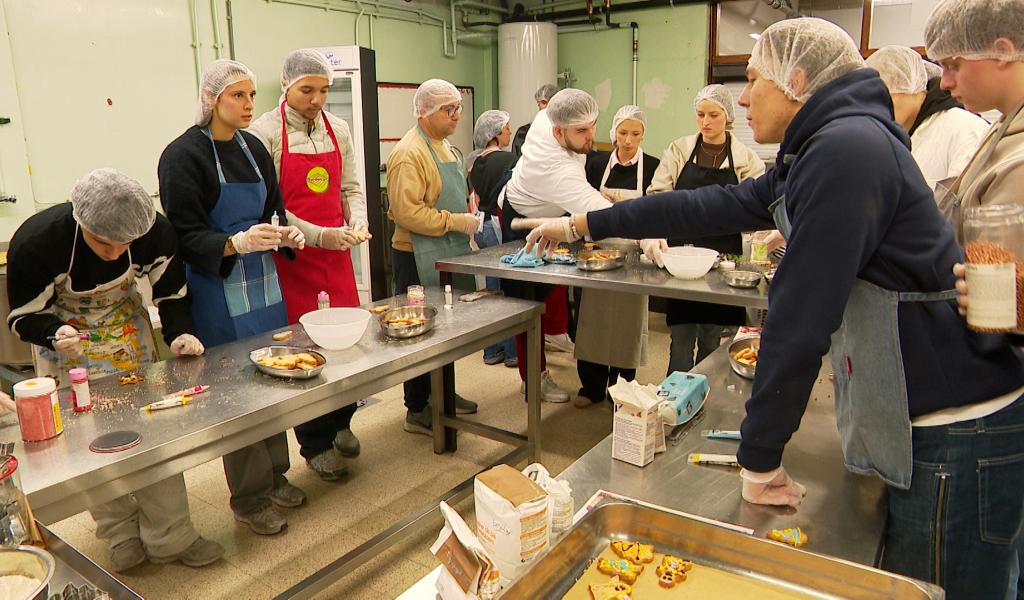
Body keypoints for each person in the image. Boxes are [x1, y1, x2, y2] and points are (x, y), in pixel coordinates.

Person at [518, 18, 1024, 599]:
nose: (740, 97)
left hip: (955, 432)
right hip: (926, 418)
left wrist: (759, 459)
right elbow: (706, 208)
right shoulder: (822, 145)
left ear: (797, 79)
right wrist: (584, 222)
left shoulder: (847, 150)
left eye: (753, 79)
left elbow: (800, 314)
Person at [7, 168, 223, 571]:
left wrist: (180, 334)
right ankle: (119, 532)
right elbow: (21, 318)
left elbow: (171, 293)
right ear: (80, 221)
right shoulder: (39, 243)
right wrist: (54, 331)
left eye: (124, 244)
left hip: (129, 339)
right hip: (68, 353)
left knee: (154, 435)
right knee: (91, 445)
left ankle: (171, 535)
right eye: (103, 243)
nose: (113, 252)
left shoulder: (155, 232)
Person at [159, 59, 307, 536]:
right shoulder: (183, 156)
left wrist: (284, 234)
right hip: (216, 288)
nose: (248, 105)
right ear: (211, 99)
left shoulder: (255, 148)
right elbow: (183, 234)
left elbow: (272, 205)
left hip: (263, 283)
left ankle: (277, 474)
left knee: (274, 376)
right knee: (237, 393)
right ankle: (249, 496)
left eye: (250, 96)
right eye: (237, 96)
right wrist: (233, 243)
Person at [926, 1, 1024, 595]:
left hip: (999, 377)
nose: (946, 81)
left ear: (1004, 50)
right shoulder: (1000, 131)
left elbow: (1004, 297)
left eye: (955, 64)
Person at [500, 89, 665, 404]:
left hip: (547, 207)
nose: (592, 137)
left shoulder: (546, 116)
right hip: (524, 219)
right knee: (526, 306)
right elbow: (605, 212)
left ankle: (559, 344)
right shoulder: (557, 173)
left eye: (593, 125)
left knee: (552, 298)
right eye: (582, 131)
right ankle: (533, 378)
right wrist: (646, 235)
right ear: (558, 131)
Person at [249, 49, 369, 481]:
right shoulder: (266, 132)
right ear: (285, 85)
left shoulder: (338, 127)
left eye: (324, 90)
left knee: (347, 347)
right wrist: (322, 235)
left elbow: (352, 187)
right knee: (305, 352)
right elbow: (273, 208)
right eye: (307, 90)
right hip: (293, 258)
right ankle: (314, 442)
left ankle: (342, 422)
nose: (317, 99)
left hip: (336, 259)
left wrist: (357, 219)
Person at [646, 85, 766, 374]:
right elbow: (658, 193)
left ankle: (706, 398)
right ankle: (674, 400)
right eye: (700, 114)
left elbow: (760, 204)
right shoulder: (680, 149)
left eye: (713, 115)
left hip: (724, 259)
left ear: (727, 116)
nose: (705, 122)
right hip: (683, 259)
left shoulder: (745, 157)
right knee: (682, 334)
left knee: (713, 334)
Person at [386, 78, 480, 435]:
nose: (456, 115)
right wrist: (457, 221)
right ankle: (418, 407)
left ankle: (444, 395)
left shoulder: (447, 147)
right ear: (424, 112)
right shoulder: (410, 153)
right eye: (448, 109)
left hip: (448, 250)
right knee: (419, 332)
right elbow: (407, 213)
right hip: (416, 257)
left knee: (446, 330)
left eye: (458, 108)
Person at [574, 105, 660, 407]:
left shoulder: (652, 166)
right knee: (593, 322)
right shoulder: (596, 165)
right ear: (613, 133)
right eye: (623, 133)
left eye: (635, 133)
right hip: (597, 253)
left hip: (634, 255)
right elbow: (581, 204)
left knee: (627, 325)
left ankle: (621, 388)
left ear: (643, 134)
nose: (628, 140)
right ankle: (592, 387)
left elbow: (656, 211)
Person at [866, 45, 989, 190]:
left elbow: (962, 203)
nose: (878, 107)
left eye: (886, 96)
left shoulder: (963, 127)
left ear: (908, 83)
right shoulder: (891, 139)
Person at [467, 109, 518, 368]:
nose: (510, 131)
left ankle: (491, 350)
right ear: (497, 133)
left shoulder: (475, 162)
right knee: (507, 291)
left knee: (489, 287)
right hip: (500, 226)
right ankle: (511, 352)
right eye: (507, 128)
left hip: (481, 227)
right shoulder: (509, 160)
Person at [511, 83, 560, 159]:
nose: (546, 107)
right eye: (542, 103)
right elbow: (516, 160)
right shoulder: (524, 132)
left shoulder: (566, 131)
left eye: (544, 102)